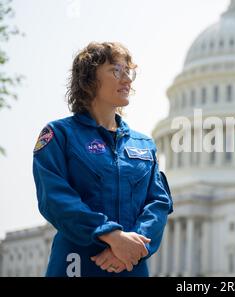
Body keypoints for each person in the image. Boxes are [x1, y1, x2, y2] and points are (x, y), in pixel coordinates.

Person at [32, 42, 173, 277]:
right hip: (76, 265)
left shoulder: (144, 144)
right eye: (116, 70)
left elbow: (158, 204)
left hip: (130, 265)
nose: (127, 79)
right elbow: (55, 198)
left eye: (129, 71)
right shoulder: (59, 135)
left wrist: (131, 247)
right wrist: (111, 235)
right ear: (89, 79)